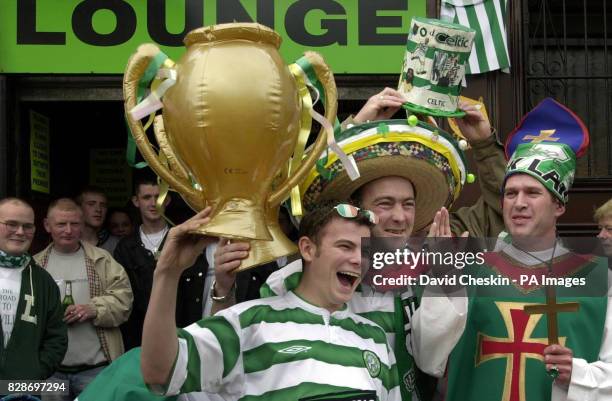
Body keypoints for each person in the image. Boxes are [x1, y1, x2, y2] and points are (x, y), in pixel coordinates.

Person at [213, 95, 505, 400]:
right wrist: (356, 126)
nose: (400, 217)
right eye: (385, 204)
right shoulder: (297, 278)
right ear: (357, 210)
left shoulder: (430, 261)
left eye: (408, 205)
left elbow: (506, 211)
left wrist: (484, 146)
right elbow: (234, 357)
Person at [416, 98, 612, 401]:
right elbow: (428, 359)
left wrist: (580, 374)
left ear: (558, 205)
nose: (519, 203)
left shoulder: (600, 280)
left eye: (532, 193)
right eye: (510, 193)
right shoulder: (468, 270)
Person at [140, 201, 400, 400]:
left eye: (365, 250)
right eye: (345, 246)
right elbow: (161, 372)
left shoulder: (375, 337)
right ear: (308, 249)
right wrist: (167, 273)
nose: (359, 259)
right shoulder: (250, 321)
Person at [34, 198, 132, 400]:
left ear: (82, 225)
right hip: (51, 374)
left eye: (75, 224)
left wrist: (94, 309)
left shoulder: (102, 260)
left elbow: (124, 301)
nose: (68, 230)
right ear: (47, 225)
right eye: (61, 224)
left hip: (95, 371)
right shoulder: (35, 266)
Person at [113, 178, 208, 350]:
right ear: (136, 201)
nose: (153, 203)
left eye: (159, 197)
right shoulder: (125, 247)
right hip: (139, 339)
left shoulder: (184, 240)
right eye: (146, 197)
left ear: (168, 200)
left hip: (182, 335)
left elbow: (195, 293)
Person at [0, 198, 67, 380]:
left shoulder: (43, 281)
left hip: (24, 390)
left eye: (27, 226)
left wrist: (34, 372)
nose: (20, 232)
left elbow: (57, 338)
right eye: (11, 224)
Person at [75, 187, 120, 254]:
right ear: (78, 208)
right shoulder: (68, 242)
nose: (98, 209)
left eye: (103, 205)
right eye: (91, 204)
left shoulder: (116, 244)